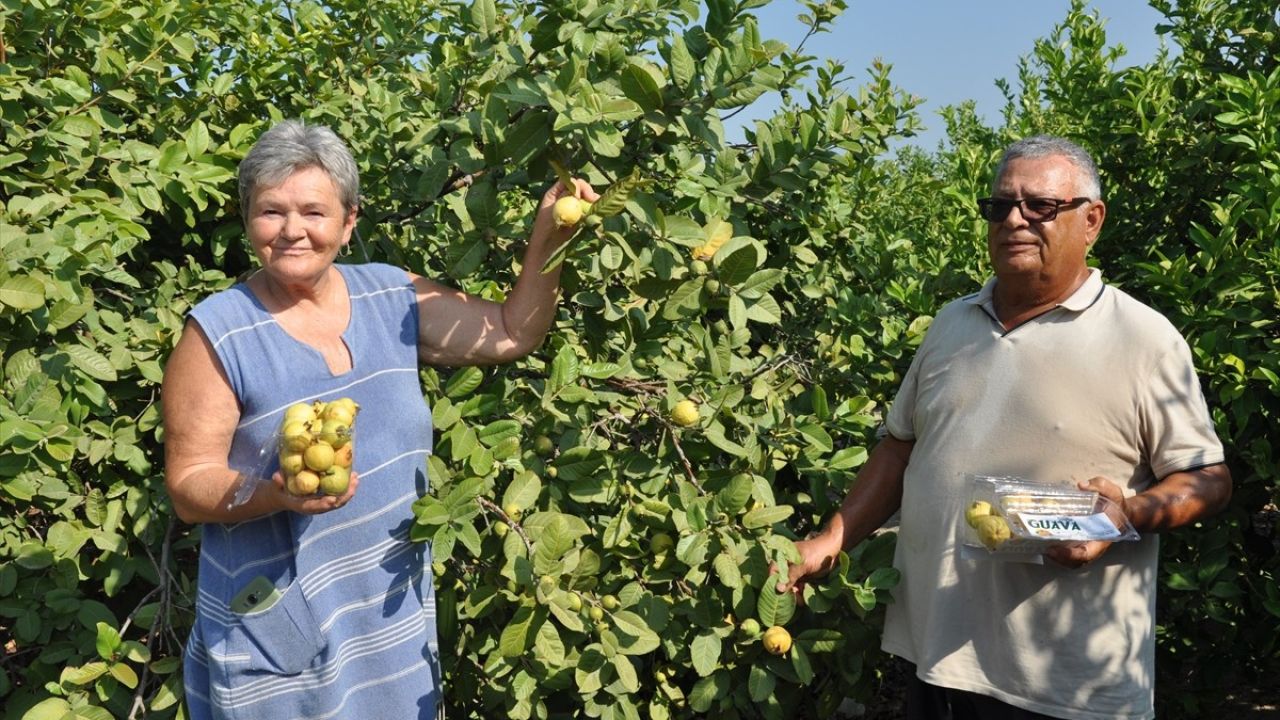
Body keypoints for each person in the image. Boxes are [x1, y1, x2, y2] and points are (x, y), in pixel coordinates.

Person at [782, 135, 1231, 720]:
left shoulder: (1142, 338)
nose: (1015, 219)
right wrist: (829, 541)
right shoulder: (952, 323)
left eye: (1040, 206)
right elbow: (899, 451)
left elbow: (1208, 478)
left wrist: (1126, 514)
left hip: (1060, 684)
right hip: (934, 654)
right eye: (1000, 206)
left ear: (1090, 220)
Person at [161, 119, 598, 719]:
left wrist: (549, 238)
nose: (293, 231)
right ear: (247, 221)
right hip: (279, 629)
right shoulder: (218, 333)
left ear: (349, 221)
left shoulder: (391, 297)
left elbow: (510, 331)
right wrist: (274, 495)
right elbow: (189, 485)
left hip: (389, 617)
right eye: (271, 212)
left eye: (314, 211)